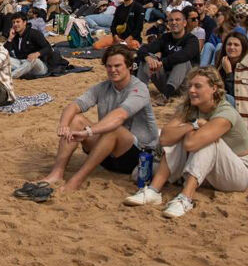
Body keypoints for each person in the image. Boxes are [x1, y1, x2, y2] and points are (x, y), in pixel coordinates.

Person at [19, 46, 157, 198]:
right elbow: (74, 105)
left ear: (130, 67)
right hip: (107, 154)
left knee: (113, 128)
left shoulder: (139, 88)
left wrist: (89, 132)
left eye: (118, 66)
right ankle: (56, 173)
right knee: (76, 119)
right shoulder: (103, 87)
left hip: (138, 158)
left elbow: (119, 115)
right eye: (109, 66)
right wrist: (63, 125)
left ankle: (76, 181)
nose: (112, 70)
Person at [125, 68, 248, 219]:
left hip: (239, 172)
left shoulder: (225, 113)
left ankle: (185, 198)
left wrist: (187, 130)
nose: (192, 91)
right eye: (190, 86)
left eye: (198, 86)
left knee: (207, 142)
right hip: (208, 170)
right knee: (179, 133)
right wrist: (192, 125)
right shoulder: (189, 108)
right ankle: (154, 191)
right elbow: (165, 138)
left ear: (214, 88)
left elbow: (191, 144)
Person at [138, 8, 199, 103]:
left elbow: (185, 55)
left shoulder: (192, 40)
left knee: (183, 61)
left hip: (186, 85)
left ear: (184, 23)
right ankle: (139, 92)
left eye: (177, 20)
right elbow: (143, 49)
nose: (174, 22)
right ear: (168, 24)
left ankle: (165, 96)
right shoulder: (165, 38)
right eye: (171, 20)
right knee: (147, 58)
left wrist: (162, 62)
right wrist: (148, 58)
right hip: (165, 81)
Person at [6, 13, 53, 80]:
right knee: (4, 59)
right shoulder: (14, 36)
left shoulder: (34, 33)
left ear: (24, 22)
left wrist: (37, 54)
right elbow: (4, 52)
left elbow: (48, 48)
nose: (15, 24)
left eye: (18, 22)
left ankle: (10, 76)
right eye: (13, 22)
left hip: (38, 66)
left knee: (32, 59)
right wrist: (10, 39)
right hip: (22, 64)